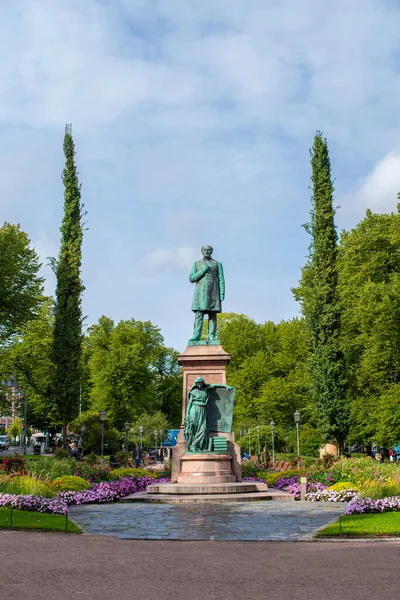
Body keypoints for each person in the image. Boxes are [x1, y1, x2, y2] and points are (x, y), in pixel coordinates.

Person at [184, 376, 233, 452]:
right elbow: (190, 404)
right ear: (196, 384)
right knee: (194, 429)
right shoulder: (193, 392)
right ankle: (193, 446)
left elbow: (215, 385)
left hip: (203, 410)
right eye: (198, 383)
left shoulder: (205, 389)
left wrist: (225, 386)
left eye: (200, 383)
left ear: (203, 383)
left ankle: (195, 444)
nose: (199, 384)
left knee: (203, 429)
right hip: (194, 410)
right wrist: (187, 414)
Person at [189, 245, 225, 341]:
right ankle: (196, 335)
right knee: (199, 314)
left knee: (212, 314)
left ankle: (212, 335)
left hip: (213, 291)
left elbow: (221, 278)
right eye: (204, 250)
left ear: (211, 251)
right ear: (202, 251)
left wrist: (222, 292)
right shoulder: (196, 264)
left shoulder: (217, 264)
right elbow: (192, 278)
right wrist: (203, 271)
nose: (206, 251)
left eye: (208, 250)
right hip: (200, 293)